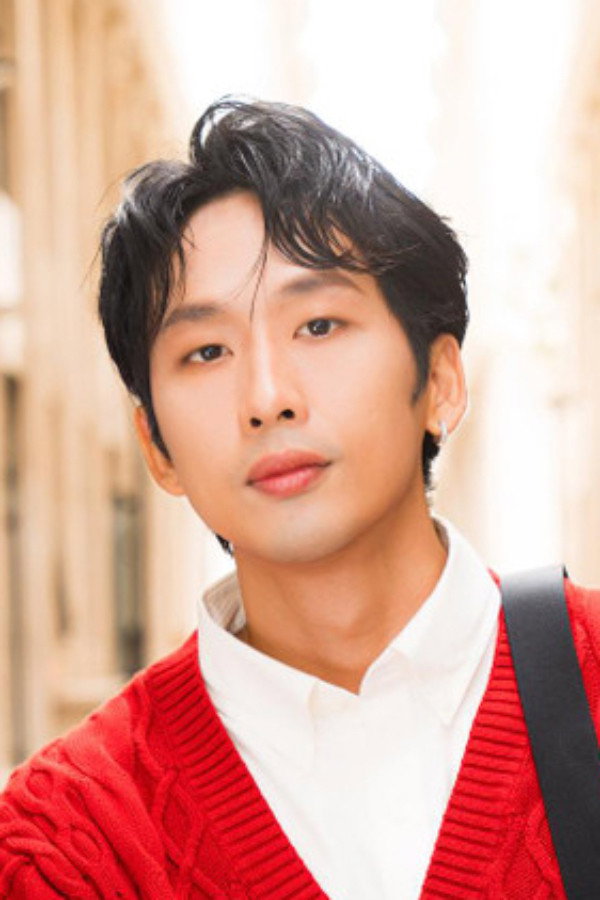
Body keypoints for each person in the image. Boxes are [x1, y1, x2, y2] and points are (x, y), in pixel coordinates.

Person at [0, 98, 597, 900]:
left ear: (440, 382)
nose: (267, 397)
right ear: (156, 448)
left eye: (318, 326)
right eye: (206, 351)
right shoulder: (68, 844)